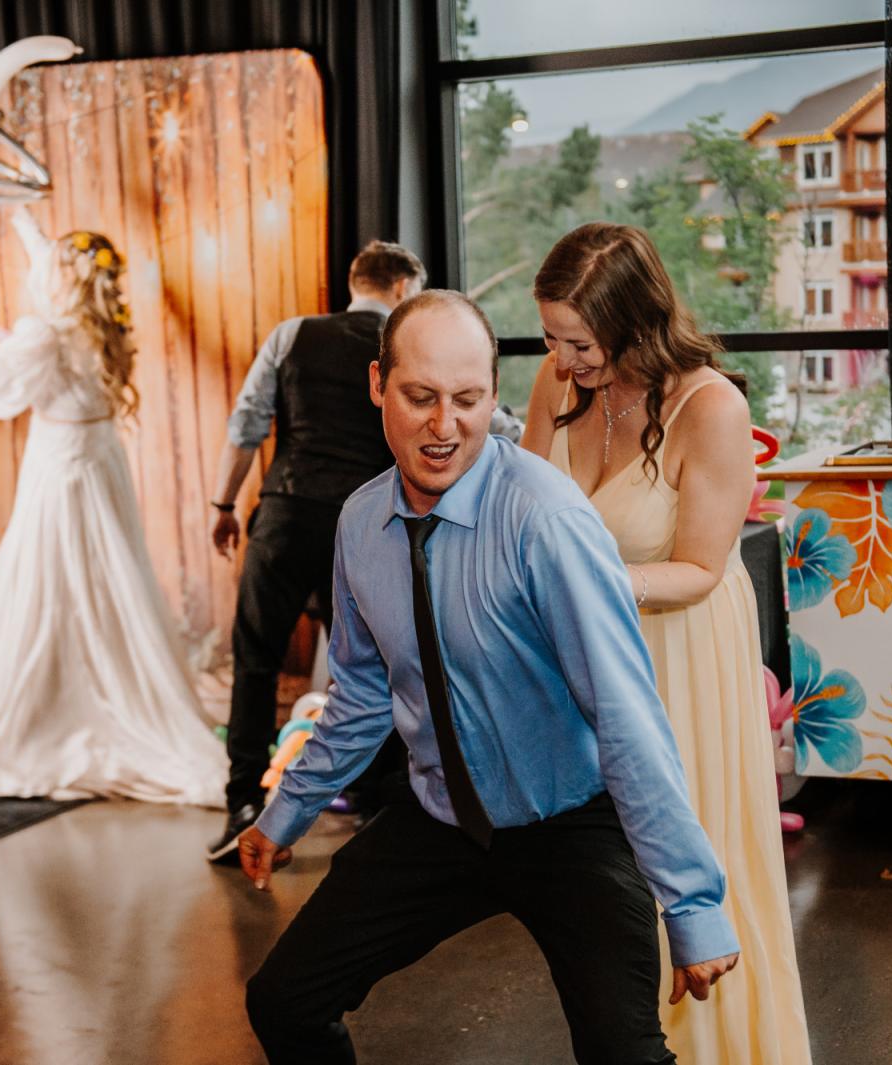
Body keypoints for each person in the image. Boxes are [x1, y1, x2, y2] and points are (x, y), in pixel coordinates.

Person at [237, 289, 738, 1065]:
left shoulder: (547, 520)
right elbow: (364, 692)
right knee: (283, 1002)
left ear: (492, 395)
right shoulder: (361, 524)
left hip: (569, 822)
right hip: (441, 820)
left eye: (467, 400)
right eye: (420, 397)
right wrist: (285, 812)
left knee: (624, 1053)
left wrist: (693, 903)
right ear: (378, 385)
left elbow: (624, 714)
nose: (444, 427)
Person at [521, 222, 812, 1064]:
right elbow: (526, 509)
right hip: (588, 651)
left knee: (682, 859)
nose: (564, 359)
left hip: (680, 649)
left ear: (635, 320)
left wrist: (590, 584)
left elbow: (699, 567)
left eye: (580, 340)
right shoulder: (557, 382)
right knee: (599, 879)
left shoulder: (711, 405)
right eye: (550, 337)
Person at [0, 211, 226, 805]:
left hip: (59, 477)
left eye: (50, 264)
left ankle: (45, 726)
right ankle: (103, 698)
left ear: (63, 277)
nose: (40, 271)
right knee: (105, 588)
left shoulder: (45, 334)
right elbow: (42, 281)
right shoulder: (100, 329)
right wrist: (21, 220)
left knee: (43, 592)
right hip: (101, 469)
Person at [205, 241, 425, 861]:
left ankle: (244, 805)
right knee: (374, 669)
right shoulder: (406, 345)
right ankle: (377, 801)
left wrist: (223, 507)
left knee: (255, 661)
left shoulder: (291, 334)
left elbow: (246, 426)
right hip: (365, 524)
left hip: (287, 514)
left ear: (354, 283)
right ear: (403, 288)